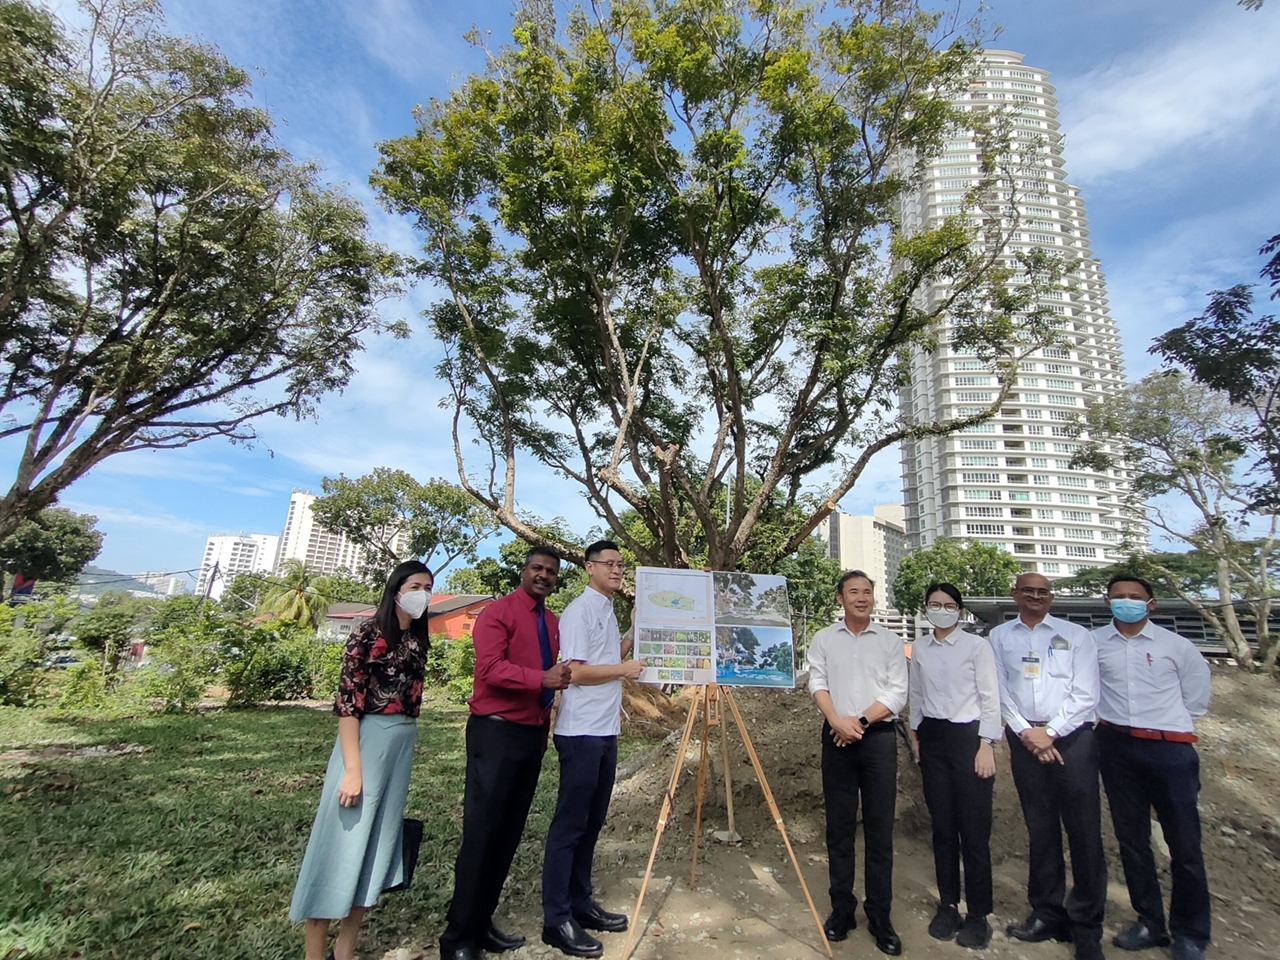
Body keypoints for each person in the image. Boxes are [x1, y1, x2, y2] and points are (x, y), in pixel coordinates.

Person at [291, 560, 434, 960]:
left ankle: (346, 950)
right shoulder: (367, 634)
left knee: (376, 848)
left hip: (400, 747)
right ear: (396, 589)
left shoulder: (417, 640)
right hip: (366, 744)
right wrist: (352, 770)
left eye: (427, 586)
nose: (422, 592)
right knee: (340, 846)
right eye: (415, 585)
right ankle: (315, 952)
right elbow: (348, 707)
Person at [437, 547, 573, 960]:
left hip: (531, 736)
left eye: (551, 571)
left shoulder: (551, 622)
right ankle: (458, 938)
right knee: (482, 834)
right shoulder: (497, 613)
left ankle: (482, 924)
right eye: (537, 568)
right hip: (495, 734)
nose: (544, 575)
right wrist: (542, 678)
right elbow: (490, 668)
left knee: (508, 833)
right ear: (524, 570)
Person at [1093, 576, 1212, 960]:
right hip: (1115, 746)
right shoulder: (1093, 645)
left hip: (1169, 749)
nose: (1126, 603)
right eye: (1118, 598)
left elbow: (1195, 701)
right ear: (1107, 602)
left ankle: (1191, 933)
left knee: (1184, 844)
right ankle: (1150, 921)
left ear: (1151, 604)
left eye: (1134, 598)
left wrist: (1162, 728)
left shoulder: (1177, 647)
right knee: (1131, 840)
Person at [989, 573, 1106, 960]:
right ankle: (1046, 912)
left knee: (1084, 832)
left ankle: (1086, 926)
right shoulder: (1000, 637)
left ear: (1051, 597)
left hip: (1073, 741)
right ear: (1015, 595)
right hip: (1025, 741)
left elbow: (1087, 693)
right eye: (1028, 591)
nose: (1036, 597)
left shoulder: (1077, 636)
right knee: (1040, 830)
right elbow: (999, 691)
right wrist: (1029, 734)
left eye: (1043, 592)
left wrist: (1051, 732)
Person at [540, 540, 645, 958]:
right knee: (569, 826)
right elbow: (576, 671)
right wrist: (624, 669)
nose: (618, 570)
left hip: (605, 731)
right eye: (610, 564)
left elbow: (606, 656)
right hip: (580, 732)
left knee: (593, 822)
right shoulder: (579, 611)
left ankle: (581, 904)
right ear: (589, 568)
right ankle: (557, 918)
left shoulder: (606, 608)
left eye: (621, 565)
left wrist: (633, 634)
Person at [807, 570, 909, 956]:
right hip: (836, 738)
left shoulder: (889, 640)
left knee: (880, 832)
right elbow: (817, 682)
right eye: (854, 592)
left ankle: (880, 916)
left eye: (867, 592)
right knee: (839, 829)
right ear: (840, 598)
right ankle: (841, 911)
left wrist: (860, 722)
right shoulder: (823, 639)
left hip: (878, 739)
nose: (861, 598)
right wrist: (836, 721)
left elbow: (897, 692)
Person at [908, 582, 1001, 951]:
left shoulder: (977, 647)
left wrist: (986, 745)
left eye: (949, 605)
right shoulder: (921, 648)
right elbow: (917, 693)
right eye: (934, 604)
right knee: (943, 828)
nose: (941, 609)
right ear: (926, 608)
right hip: (932, 739)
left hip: (969, 739)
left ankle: (979, 915)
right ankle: (948, 905)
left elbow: (991, 697)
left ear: (960, 611)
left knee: (974, 831)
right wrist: (916, 736)